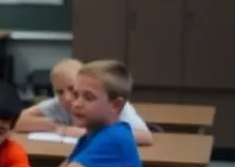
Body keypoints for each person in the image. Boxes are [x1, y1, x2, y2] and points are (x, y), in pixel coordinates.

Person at [36, 59, 147, 167]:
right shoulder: (91, 135)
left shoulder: (115, 137)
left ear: (116, 105)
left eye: (89, 98)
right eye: (76, 95)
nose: (76, 104)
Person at [18, 58, 153, 146]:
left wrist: (89, 133)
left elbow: (145, 137)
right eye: (59, 92)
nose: (67, 98)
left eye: (73, 90)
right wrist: (57, 126)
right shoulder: (57, 103)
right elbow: (16, 121)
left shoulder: (113, 106)